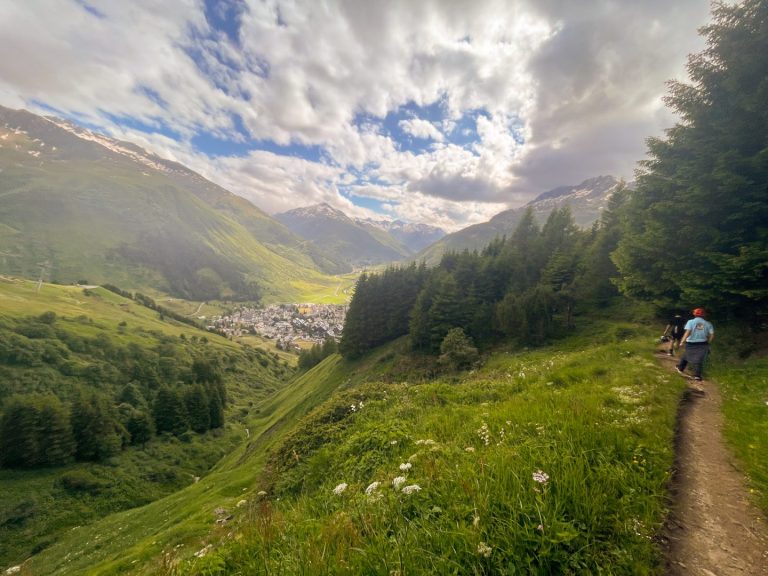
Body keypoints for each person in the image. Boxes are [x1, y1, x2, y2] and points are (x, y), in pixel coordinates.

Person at [676, 308, 715, 382]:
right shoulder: (708, 323)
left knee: (686, 354)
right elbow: (712, 335)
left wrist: (682, 341)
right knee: (699, 359)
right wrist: (708, 343)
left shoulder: (690, 322)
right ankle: (697, 375)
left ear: (694, 314)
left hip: (690, 343)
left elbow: (688, 332)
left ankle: (680, 368)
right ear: (704, 315)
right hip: (703, 343)